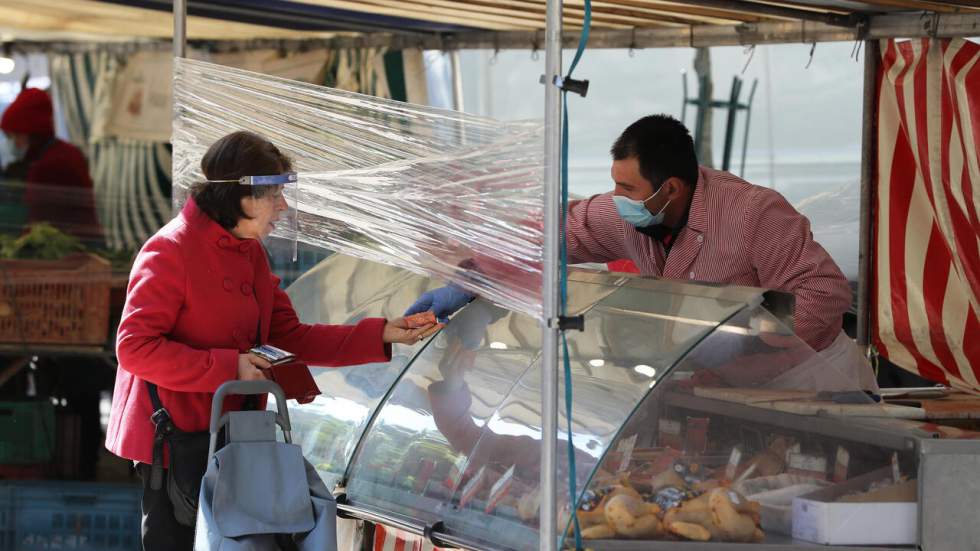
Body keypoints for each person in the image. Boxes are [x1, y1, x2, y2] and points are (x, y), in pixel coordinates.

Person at [106, 131, 438, 550]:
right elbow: (134, 347)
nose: (282, 206)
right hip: (177, 444)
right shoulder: (170, 251)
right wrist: (231, 367)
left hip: (238, 438)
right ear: (241, 196)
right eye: (275, 194)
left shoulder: (251, 253)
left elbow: (290, 338)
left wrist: (380, 333)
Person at [407, 114, 876, 390]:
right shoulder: (626, 215)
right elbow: (546, 236)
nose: (616, 197)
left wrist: (749, 333)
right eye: (614, 183)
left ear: (670, 188)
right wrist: (469, 278)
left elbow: (823, 291)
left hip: (814, 380)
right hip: (727, 384)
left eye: (626, 187)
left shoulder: (754, 212)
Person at [1, 87, 103, 246]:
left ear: (32, 133)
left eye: (15, 136)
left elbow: (40, 224)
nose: (13, 143)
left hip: (73, 250)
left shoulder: (49, 165)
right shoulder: (66, 152)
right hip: (83, 244)